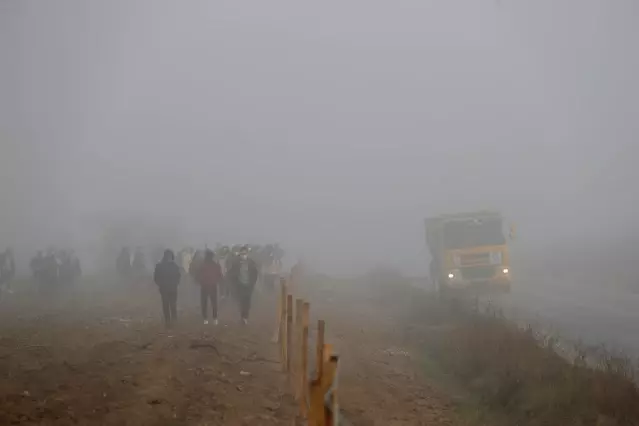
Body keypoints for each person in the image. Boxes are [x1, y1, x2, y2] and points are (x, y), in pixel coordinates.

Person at [227, 245, 258, 325]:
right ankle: (243, 317)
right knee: (241, 301)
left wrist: (252, 283)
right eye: (242, 254)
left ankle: (245, 317)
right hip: (239, 285)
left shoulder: (251, 263)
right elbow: (230, 273)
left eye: (245, 253)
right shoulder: (236, 263)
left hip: (249, 286)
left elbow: (255, 274)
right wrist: (233, 282)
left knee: (247, 302)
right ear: (240, 254)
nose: (244, 255)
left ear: (247, 254)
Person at [153, 249, 181, 328]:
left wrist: (176, 283)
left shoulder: (173, 266)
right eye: (168, 256)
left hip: (171, 288)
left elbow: (178, 276)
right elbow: (156, 278)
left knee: (171, 305)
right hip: (166, 288)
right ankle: (168, 321)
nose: (169, 257)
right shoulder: (161, 266)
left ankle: (173, 320)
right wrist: (161, 284)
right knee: (167, 305)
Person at [196, 249, 222, 325]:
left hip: (205, 286)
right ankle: (214, 318)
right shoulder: (215, 265)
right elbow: (219, 276)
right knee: (213, 303)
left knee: (205, 303)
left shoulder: (202, 265)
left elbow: (197, 276)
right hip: (211, 286)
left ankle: (206, 319)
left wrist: (201, 282)